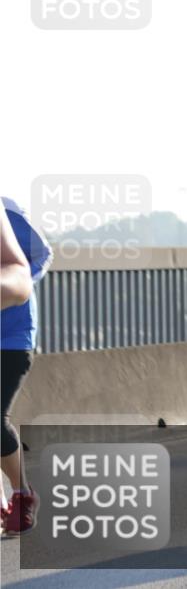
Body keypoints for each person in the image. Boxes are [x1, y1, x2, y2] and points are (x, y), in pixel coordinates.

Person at [1, 198, 52, 535]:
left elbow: (42, 255)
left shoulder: (9, 211)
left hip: (12, 338)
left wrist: (21, 287)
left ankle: (22, 492)